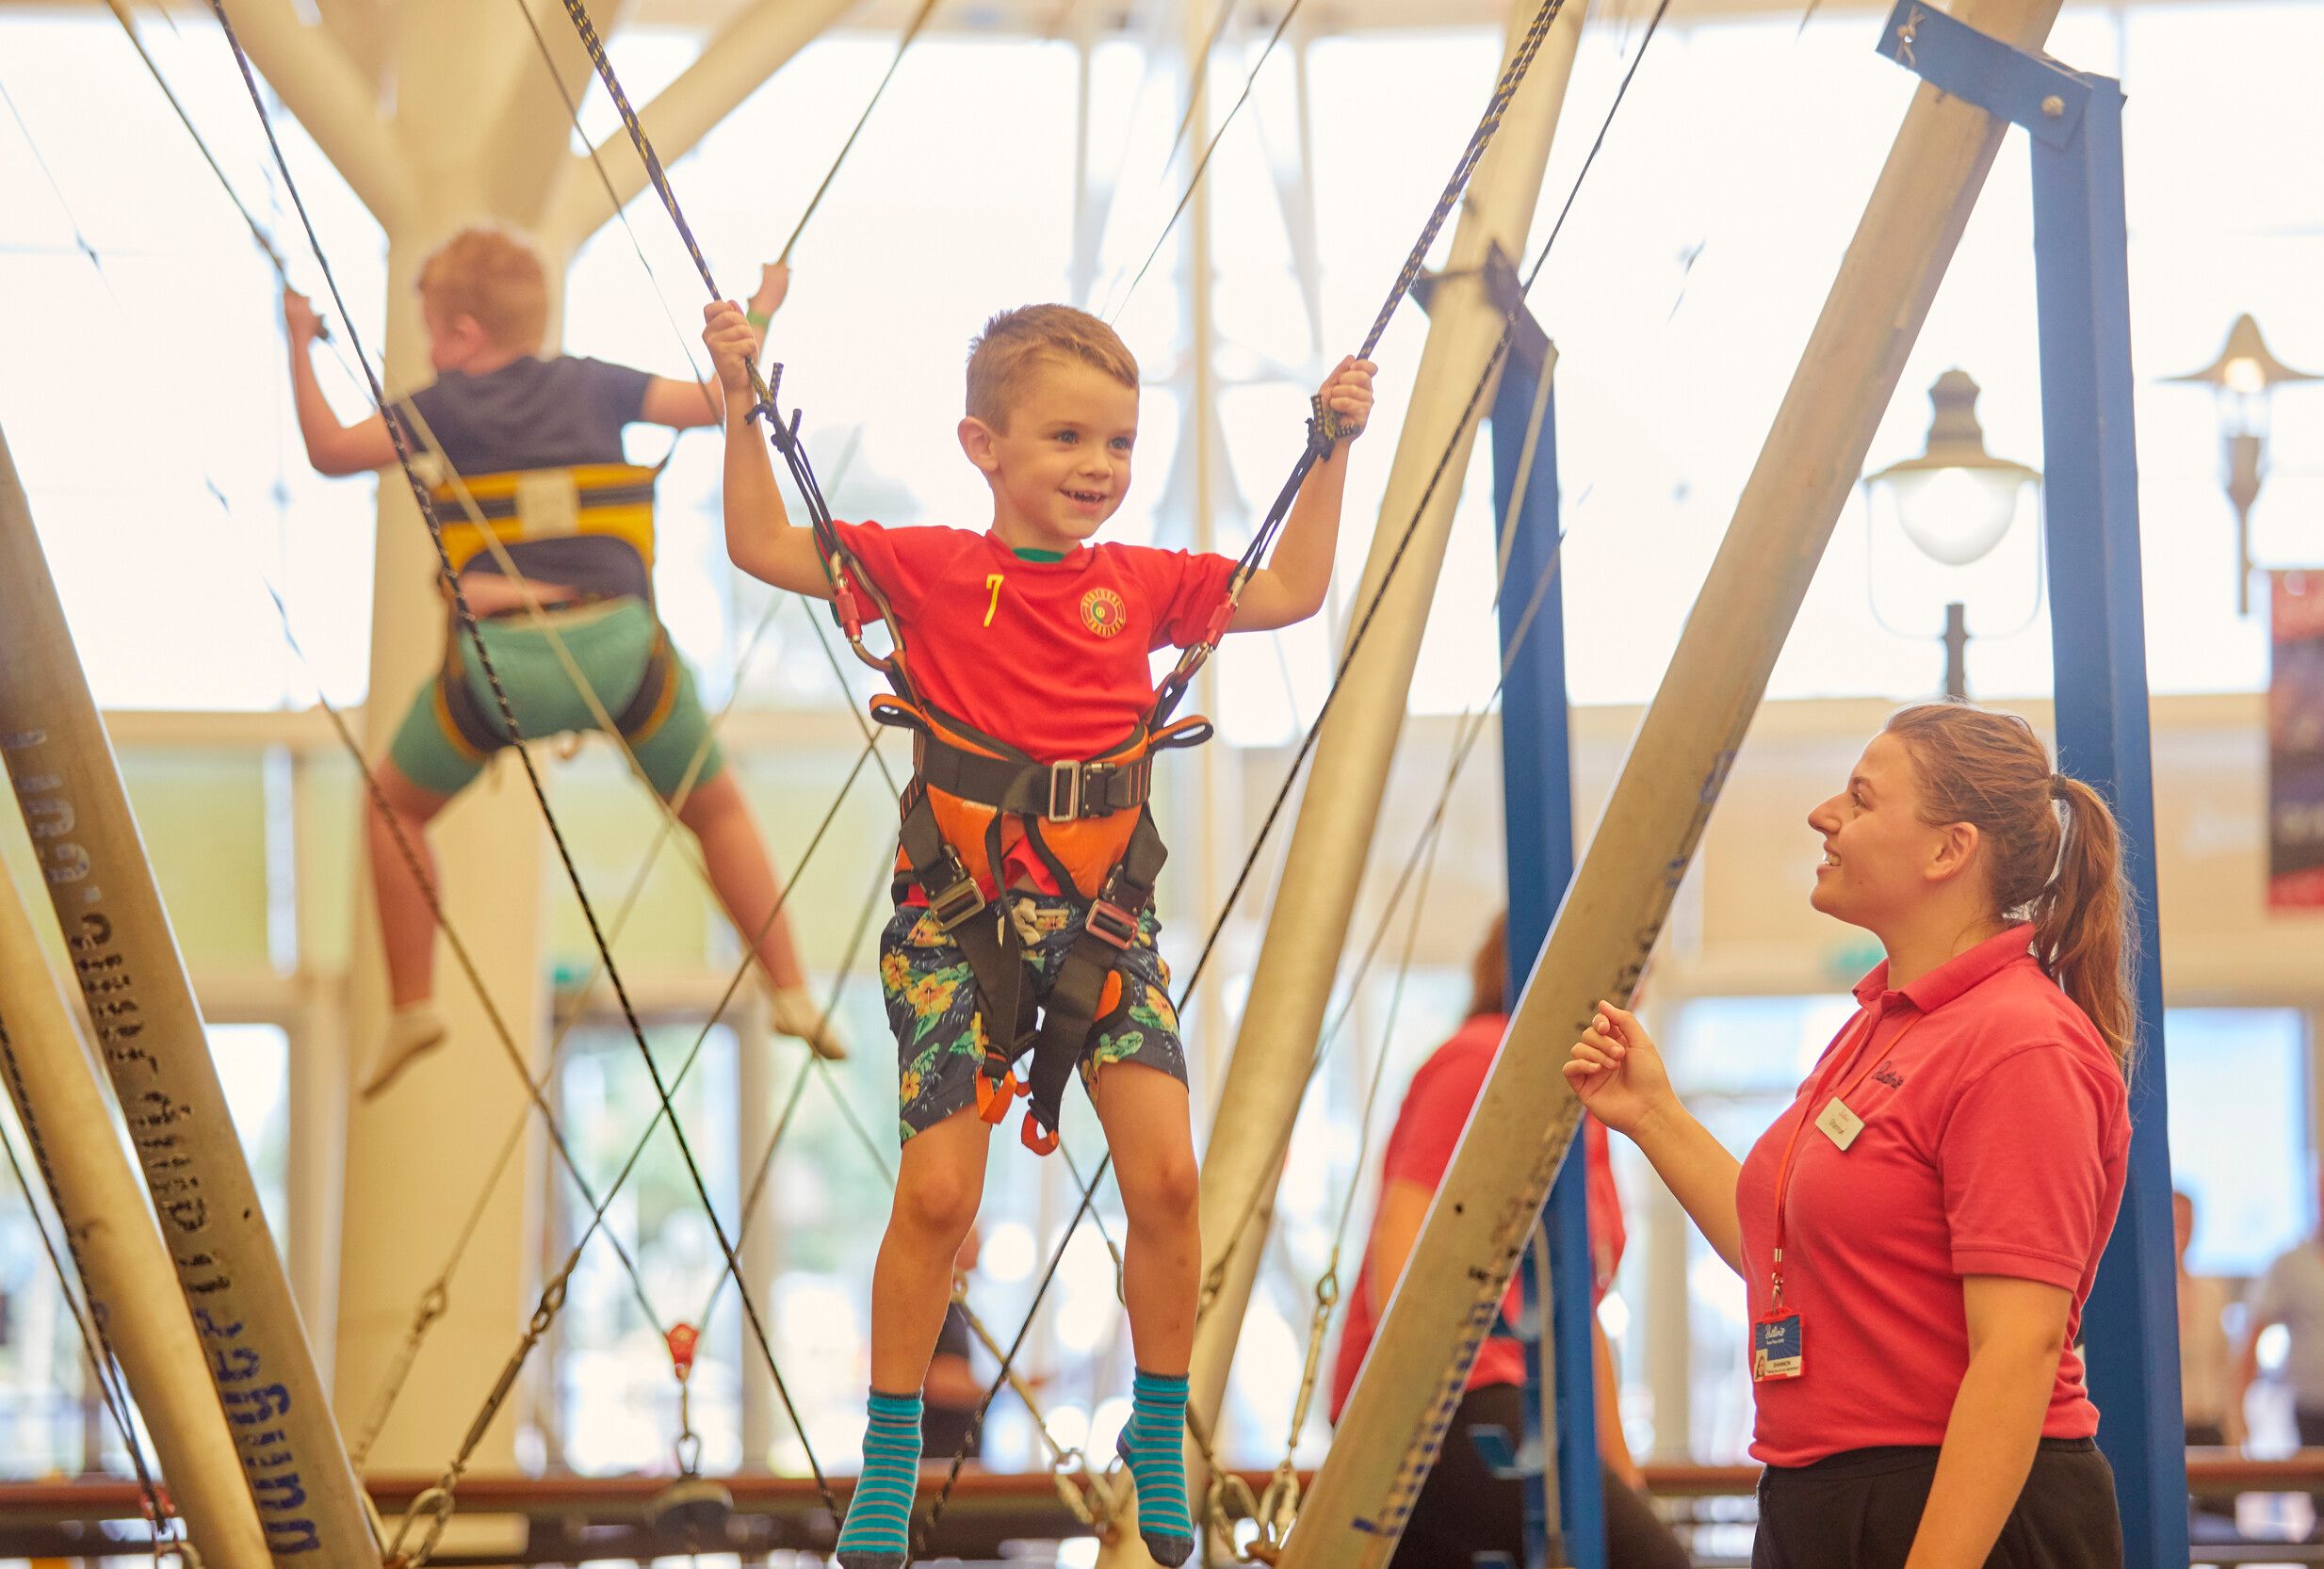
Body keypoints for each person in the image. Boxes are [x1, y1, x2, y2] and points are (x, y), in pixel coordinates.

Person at [702, 295, 1374, 1569]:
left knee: (1170, 1178)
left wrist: (1329, 451)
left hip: (1101, 928)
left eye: (1119, 444)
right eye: (1068, 438)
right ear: (982, 446)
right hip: (954, 927)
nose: (1098, 469)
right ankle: (892, 1458)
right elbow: (753, 541)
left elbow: (1287, 585)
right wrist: (739, 406)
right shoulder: (927, 568)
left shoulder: (1144, 586)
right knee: (941, 1190)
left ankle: (1157, 1429)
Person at [1566, 704, 2136, 1569]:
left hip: (1955, 1505)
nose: (1822, 815)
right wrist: (1652, 1115)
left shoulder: (2017, 1043)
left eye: (1860, 800)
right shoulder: (1883, 1025)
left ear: (1949, 850)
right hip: (1824, 1493)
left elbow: (2019, 1350)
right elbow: (1788, 1248)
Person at [284, 227, 843, 1096]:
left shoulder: (443, 405)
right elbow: (712, 400)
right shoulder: (592, 381)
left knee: (392, 809)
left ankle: (413, 1004)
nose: (431, 350)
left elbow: (327, 453)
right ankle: (793, 989)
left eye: (432, 330)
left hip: (500, 671)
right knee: (719, 811)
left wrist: (295, 345)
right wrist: (762, 308)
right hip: (622, 652)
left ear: (464, 333)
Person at [1330, 914, 1693, 1569]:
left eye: (1643, 985)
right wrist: (1411, 1399)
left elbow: (1578, 1314)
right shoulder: (1488, 1057)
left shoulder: (1586, 1108)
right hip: (1456, 1395)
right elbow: (1402, 1228)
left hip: (1523, 1397)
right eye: (1628, 982)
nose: (1637, 1003)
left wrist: (1622, 1475)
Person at [2237, 1162, 2324, 1541]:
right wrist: (2239, 1419)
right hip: (2317, 1412)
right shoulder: (2291, 1263)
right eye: (2321, 1196)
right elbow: (2252, 1337)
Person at [920, 1226, 990, 1460]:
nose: (980, 1245)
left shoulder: (955, 1302)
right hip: (940, 1454)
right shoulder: (935, 1302)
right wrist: (997, 1389)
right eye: (974, 1239)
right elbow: (936, 1380)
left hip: (962, 1453)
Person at [2176, 1189, 2238, 1450]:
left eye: (2186, 1223)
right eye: (2174, 1221)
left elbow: (2224, 1366)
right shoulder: (2141, 1294)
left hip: (2209, 1424)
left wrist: (2235, 1431)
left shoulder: (2212, 1292)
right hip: (2169, 1427)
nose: (2180, 1231)